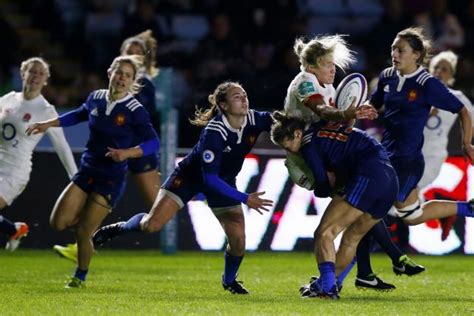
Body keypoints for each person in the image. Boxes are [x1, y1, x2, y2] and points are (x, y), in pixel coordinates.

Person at [92, 81, 273, 294]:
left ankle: (230, 280)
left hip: (223, 180)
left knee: (239, 240)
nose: (244, 99)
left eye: (244, 94)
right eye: (236, 96)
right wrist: (245, 198)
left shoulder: (255, 118)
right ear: (223, 105)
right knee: (151, 225)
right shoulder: (214, 132)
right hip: (189, 178)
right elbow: (210, 179)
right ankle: (119, 228)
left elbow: (287, 122)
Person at [285, 35, 422, 291]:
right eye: (327, 64)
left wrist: (353, 115)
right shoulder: (305, 82)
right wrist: (350, 113)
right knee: (352, 228)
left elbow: (338, 122)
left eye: (333, 64)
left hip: (340, 159)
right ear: (311, 66)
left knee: (332, 229)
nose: (333, 68)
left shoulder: (327, 87)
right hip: (309, 160)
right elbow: (324, 112)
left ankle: (329, 285)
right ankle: (367, 269)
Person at [26, 55, 160, 288]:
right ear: (110, 72)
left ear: (132, 82)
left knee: (84, 232)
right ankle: (86, 221)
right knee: (58, 223)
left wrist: (127, 153)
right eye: (119, 72)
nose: (122, 78)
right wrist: (49, 123)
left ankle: (80, 275)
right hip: (87, 170)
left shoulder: (135, 110)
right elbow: (79, 114)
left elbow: (154, 142)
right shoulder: (96, 97)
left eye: (128, 76)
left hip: (111, 178)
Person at [53, 30, 162, 262]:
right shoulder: (106, 92)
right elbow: (86, 113)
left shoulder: (144, 87)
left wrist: (128, 148)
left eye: (138, 53)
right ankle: (83, 239)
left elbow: (145, 123)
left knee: (158, 214)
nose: (133, 56)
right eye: (128, 52)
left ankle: (107, 232)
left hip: (137, 151)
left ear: (144, 60)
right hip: (111, 153)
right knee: (93, 207)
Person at [271, 112, 399, 299]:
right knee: (352, 238)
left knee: (324, 233)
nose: (290, 152)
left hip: (368, 174)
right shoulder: (322, 126)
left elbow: (322, 183)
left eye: (288, 146)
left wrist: (319, 188)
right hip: (390, 180)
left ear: (298, 134)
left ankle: (328, 289)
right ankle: (327, 283)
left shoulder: (307, 144)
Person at [365, 27, 474, 227]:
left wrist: (467, 144)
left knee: (376, 203)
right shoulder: (389, 76)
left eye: (401, 50)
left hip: (416, 159)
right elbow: (374, 103)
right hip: (389, 153)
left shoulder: (431, 86)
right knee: (411, 215)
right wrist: (363, 109)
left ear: (417, 55)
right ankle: (467, 209)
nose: (394, 54)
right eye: (393, 49)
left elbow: (465, 112)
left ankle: (373, 253)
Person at [0, 57, 77, 251]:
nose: (36, 76)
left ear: (46, 80)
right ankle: (13, 230)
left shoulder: (45, 110)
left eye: (41, 73)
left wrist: (75, 177)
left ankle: (12, 229)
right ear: (22, 74)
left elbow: (62, 146)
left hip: (14, 171)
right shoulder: (8, 98)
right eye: (32, 71)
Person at [418, 51, 474, 240]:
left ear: (451, 76)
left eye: (445, 69)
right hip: (408, 153)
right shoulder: (416, 93)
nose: (439, 72)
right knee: (407, 210)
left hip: (432, 157)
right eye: (436, 68)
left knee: (400, 201)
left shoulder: (456, 96)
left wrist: (467, 143)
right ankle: (446, 210)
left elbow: (470, 119)